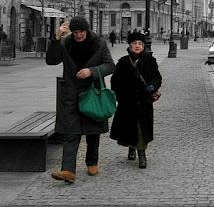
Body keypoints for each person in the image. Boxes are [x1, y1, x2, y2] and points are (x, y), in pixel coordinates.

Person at [46, 16, 114, 184]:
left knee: (93, 130)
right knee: (71, 131)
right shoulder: (65, 43)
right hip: (70, 93)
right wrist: (55, 38)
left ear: (87, 30)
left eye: (81, 32)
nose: (78, 35)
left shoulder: (99, 44)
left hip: (92, 92)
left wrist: (91, 71)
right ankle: (68, 170)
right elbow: (51, 60)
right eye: (75, 32)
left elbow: (110, 66)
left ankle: (92, 162)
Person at [110, 31, 162, 169]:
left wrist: (153, 86)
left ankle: (142, 155)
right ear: (130, 46)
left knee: (141, 128)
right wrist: (120, 95)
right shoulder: (123, 62)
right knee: (129, 128)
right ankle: (132, 148)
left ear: (144, 45)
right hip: (127, 103)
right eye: (134, 43)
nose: (137, 46)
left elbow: (157, 77)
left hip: (144, 102)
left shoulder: (150, 61)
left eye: (140, 43)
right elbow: (115, 81)